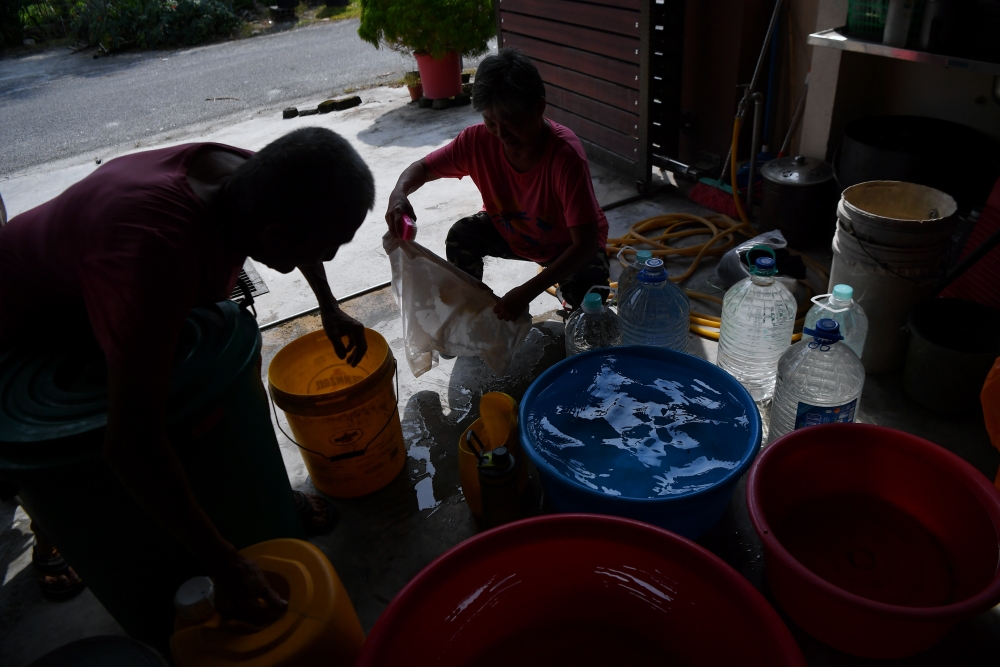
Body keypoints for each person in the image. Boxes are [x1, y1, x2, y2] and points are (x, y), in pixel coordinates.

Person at [0, 128, 374, 623]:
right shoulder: (155, 254)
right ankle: (54, 535)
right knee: (72, 456)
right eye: (329, 247)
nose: (327, 258)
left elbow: (301, 224)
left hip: (104, 275)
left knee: (218, 397)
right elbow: (130, 443)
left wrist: (329, 307)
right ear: (275, 238)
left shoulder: (254, 175)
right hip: (29, 320)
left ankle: (258, 496)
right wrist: (226, 564)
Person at [385, 47, 610, 321]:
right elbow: (422, 167)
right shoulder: (476, 141)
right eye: (491, 121)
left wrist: (526, 292)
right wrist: (398, 195)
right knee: (462, 236)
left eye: (512, 122)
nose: (502, 134)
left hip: (568, 247)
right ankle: (472, 312)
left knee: (590, 300)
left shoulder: (565, 156)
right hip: (514, 234)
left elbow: (585, 245)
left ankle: (573, 309)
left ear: (538, 108)